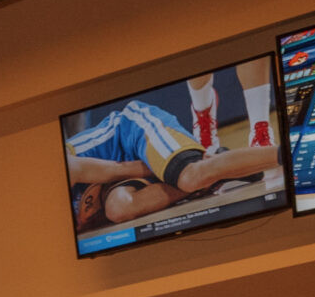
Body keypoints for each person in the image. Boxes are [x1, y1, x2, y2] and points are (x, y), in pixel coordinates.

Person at [66, 86, 273, 236]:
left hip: (130, 132)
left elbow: (119, 169)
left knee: (190, 176)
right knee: (119, 209)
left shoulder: (62, 168)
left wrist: (172, 167)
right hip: (111, 183)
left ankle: (286, 154)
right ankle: (218, 172)